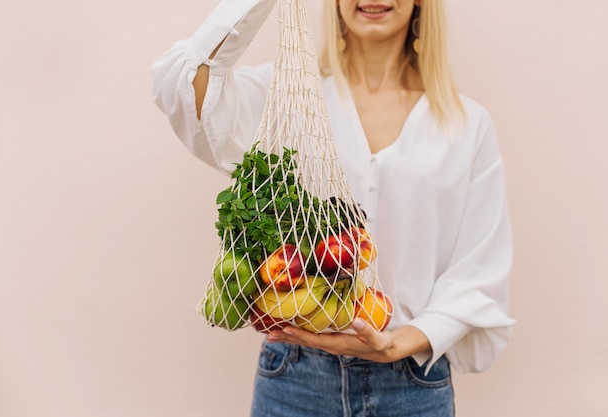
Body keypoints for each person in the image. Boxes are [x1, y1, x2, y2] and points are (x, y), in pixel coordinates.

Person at [152, 0, 516, 416]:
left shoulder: (466, 123)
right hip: (294, 378)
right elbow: (186, 85)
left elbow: (479, 269)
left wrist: (404, 340)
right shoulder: (284, 97)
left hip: (411, 383)